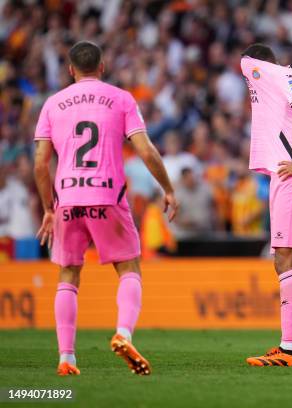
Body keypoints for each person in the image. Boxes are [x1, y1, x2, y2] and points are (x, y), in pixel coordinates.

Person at [33, 41, 178, 376]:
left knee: (68, 274)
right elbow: (145, 149)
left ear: (71, 70)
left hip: (67, 198)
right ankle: (123, 333)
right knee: (129, 268)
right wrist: (167, 189)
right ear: (102, 65)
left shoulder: (52, 104)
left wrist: (48, 208)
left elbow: (41, 164)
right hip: (107, 196)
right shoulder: (121, 98)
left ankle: (66, 358)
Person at [240, 43, 292, 366]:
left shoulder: (283, 76)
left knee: (286, 261)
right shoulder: (285, 80)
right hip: (290, 177)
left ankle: (290, 349)